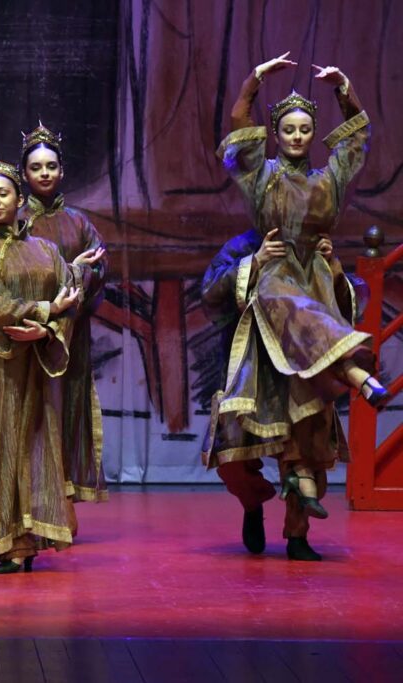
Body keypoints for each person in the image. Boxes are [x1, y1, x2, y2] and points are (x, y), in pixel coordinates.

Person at [205, 52, 384, 561]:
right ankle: (254, 502)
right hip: (262, 339)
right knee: (236, 450)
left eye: (306, 129)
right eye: (289, 129)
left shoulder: (328, 181)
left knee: (308, 425)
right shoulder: (260, 185)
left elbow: (354, 144)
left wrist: (345, 90)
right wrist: (253, 81)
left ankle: (299, 533)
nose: (299, 136)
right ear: (276, 135)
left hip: (313, 302)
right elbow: (210, 294)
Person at [0, 158, 86, 573]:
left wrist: (48, 328)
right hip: (1, 366)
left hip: (39, 362)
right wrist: (46, 309)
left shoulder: (47, 250)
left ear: (20, 199)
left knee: (37, 444)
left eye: (3, 193)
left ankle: (25, 540)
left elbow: (71, 297)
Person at [19, 123, 107, 512]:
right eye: (36, 167)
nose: (44, 173)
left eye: (51, 166)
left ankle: (64, 497)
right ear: (24, 174)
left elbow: (100, 268)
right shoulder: (17, 221)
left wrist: (77, 278)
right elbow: (13, 274)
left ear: (62, 170)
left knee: (68, 407)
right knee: (34, 410)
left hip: (72, 334)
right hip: (32, 330)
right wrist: (69, 272)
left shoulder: (80, 222)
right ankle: (32, 501)